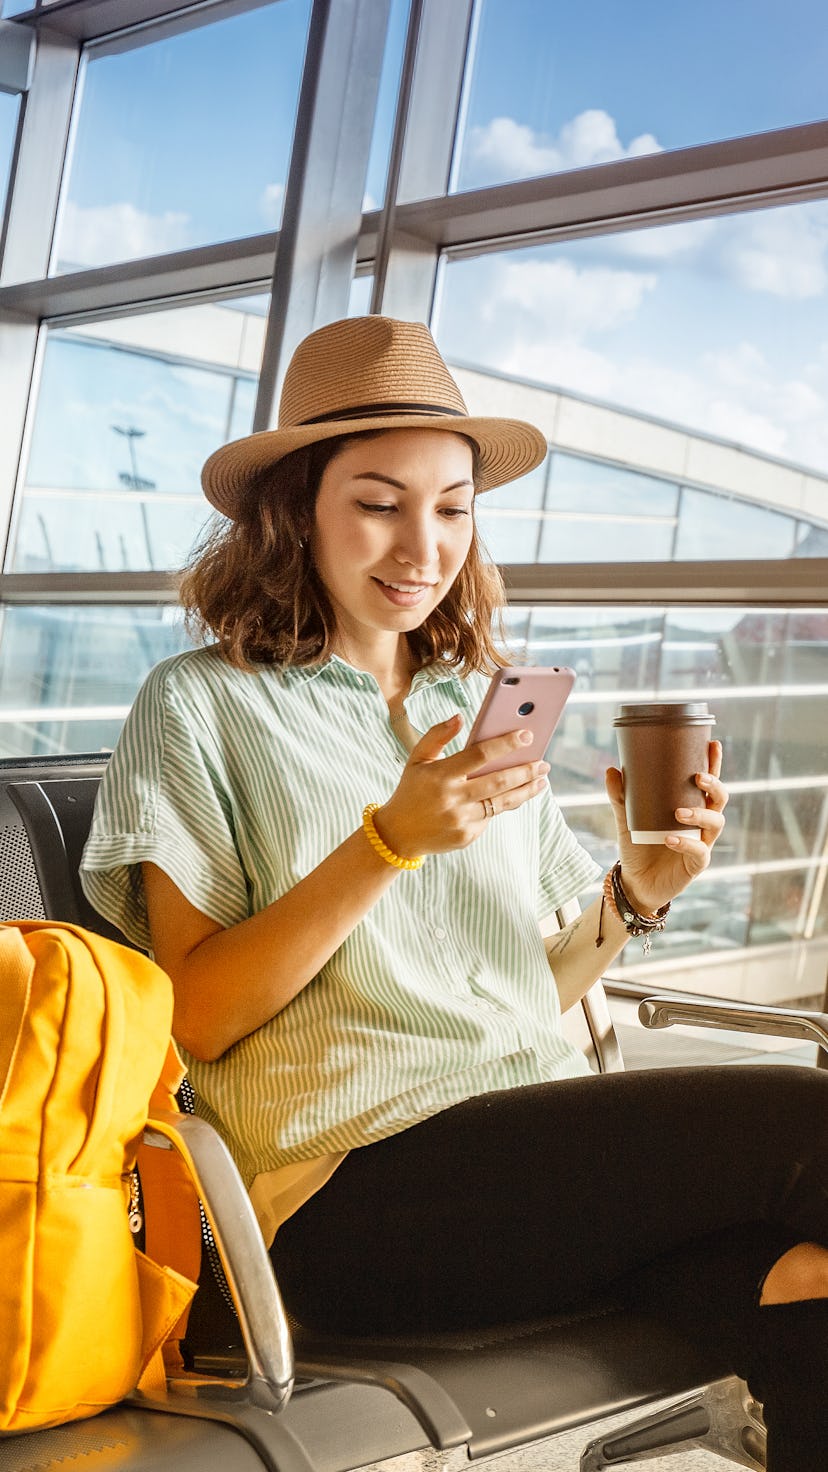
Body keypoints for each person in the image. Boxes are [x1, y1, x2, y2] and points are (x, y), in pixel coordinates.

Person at [81, 316, 828, 1469]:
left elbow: (520, 987)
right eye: (379, 501)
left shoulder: (478, 700)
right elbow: (195, 1017)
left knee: (805, 1294)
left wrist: (636, 894)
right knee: (802, 1122)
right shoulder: (197, 707)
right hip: (346, 1193)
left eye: (451, 507)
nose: (421, 544)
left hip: (522, 1161)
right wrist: (384, 842)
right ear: (296, 508)